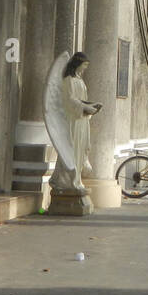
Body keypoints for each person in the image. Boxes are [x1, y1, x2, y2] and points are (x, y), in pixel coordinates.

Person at [52, 51, 100, 192]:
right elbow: (69, 100)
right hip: (73, 120)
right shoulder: (69, 80)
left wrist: (91, 106)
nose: (84, 68)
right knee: (71, 149)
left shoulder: (79, 80)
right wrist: (85, 107)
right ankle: (65, 181)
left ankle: (77, 180)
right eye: (84, 65)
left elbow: (81, 99)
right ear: (77, 64)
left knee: (80, 149)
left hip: (82, 120)